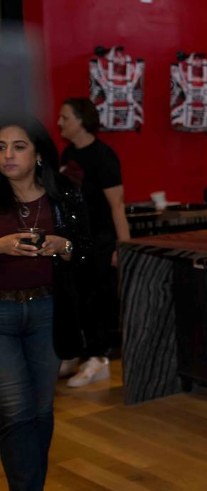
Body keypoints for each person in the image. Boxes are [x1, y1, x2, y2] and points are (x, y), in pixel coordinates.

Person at [1, 116, 90, 491]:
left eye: (18, 146)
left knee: (41, 410)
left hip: (47, 312)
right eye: (0, 147)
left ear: (38, 153)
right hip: (0, 313)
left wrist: (62, 246)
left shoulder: (64, 194)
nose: (7, 155)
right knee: (16, 410)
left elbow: (86, 251)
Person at [56, 98, 129, 387]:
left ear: (81, 120)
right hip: (75, 242)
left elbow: (118, 206)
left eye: (64, 117)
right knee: (77, 300)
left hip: (101, 241)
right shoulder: (68, 154)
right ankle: (81, 355)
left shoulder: (103, 156)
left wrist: (122, 247)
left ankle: (99, 359)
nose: (60, 123)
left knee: (98, 300)